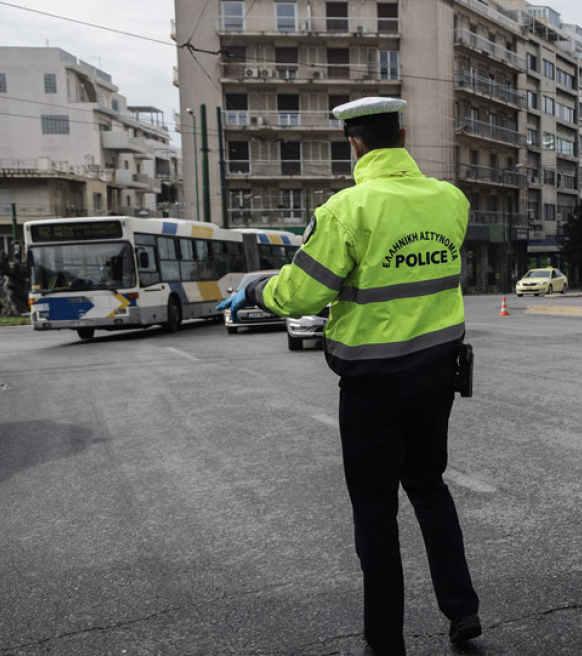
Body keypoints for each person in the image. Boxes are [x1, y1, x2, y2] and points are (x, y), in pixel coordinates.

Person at [217, 97, 481, 654]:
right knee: (430, 488)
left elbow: (301, 295)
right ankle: (462, 612)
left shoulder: (345, 210)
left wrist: (256, 288)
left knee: (376, 513)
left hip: (373, 386)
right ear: (403, 135)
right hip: (437, 376)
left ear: (353, 143)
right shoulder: (450, 200)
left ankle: (386, 643)